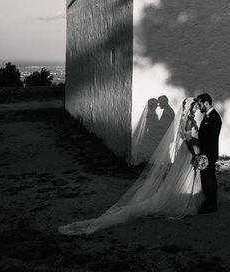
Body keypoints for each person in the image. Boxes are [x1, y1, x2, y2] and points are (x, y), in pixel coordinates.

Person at [58, 97, 204, 235]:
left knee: (183, 175)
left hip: (185, 152)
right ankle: (184, 201)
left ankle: (185, 196)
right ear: (190, 108)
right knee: (186, 174)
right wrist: (195, 153)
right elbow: (188, 139)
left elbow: (184, 137)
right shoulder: (189, 121)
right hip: (188, 152)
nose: (196, 107)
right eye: (194, 106)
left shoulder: (184, 120)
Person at [195, 93, 222, 214]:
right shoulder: (207, 116)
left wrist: (196, 141)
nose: (199, 107)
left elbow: (211, 137)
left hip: (209, 153)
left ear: (206, 103)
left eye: (200, 104)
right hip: (205, 152)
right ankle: (208, 200)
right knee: (205, 178)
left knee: (209, 178)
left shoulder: (214, 117)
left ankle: (212, 204)